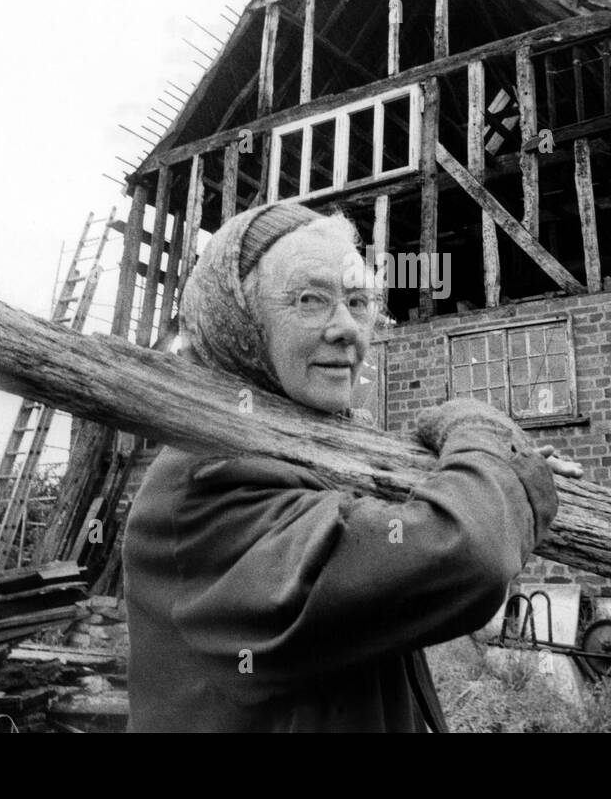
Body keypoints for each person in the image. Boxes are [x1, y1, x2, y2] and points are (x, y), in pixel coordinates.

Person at [122, 201, 582, 732]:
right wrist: (476, 426)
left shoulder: (317, 449)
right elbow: (464, 553)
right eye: (310, 299)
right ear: (237, 322)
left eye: (359, 301)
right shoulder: (207, 480)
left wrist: (512, 471)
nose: (348, 329)